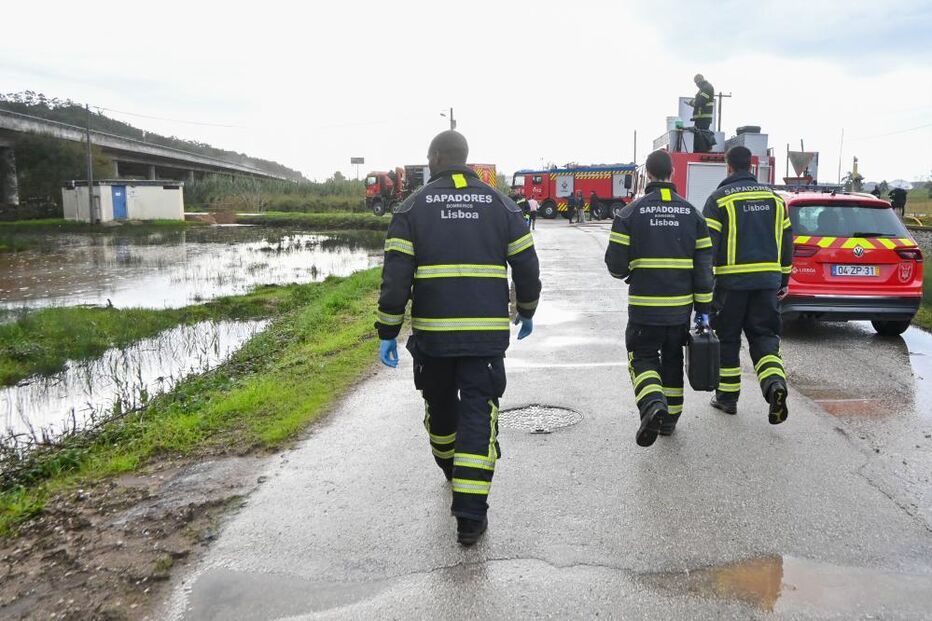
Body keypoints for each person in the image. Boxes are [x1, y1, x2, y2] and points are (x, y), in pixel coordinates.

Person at [375, 130, 541, 546]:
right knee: (478, 416)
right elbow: (527, 264)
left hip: (433, 339)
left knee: (440, 410)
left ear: (434, 158)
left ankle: (453, 474)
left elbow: (395, 279)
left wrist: (388, 332)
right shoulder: (501, 205)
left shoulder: (411, 208)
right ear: (465, 158)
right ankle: (469, 515)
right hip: (484, 339)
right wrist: (527, 310)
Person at [605, 150, 713, 446]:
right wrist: (703, 313)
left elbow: (615, 266)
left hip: (644, 310)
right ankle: (669, 421)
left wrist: (630, 269)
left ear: (648, 176)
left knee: (643, 357)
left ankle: (653, 405)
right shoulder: (694, 215)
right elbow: (704, 273)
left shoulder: (628, 214)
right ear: (672, 174)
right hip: (680, 311)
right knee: (673, 359)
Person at [702, 146, 792, 425]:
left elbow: (707, 249)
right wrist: (784, 279)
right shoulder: (776, 200)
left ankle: (727, 399)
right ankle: (774, 384)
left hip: (731, 285)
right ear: (751, 166)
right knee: (765, 337)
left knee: (728, 340)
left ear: (728, 167)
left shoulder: (719, 200)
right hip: (767, 284)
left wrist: (704, 288)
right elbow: (787, 243)